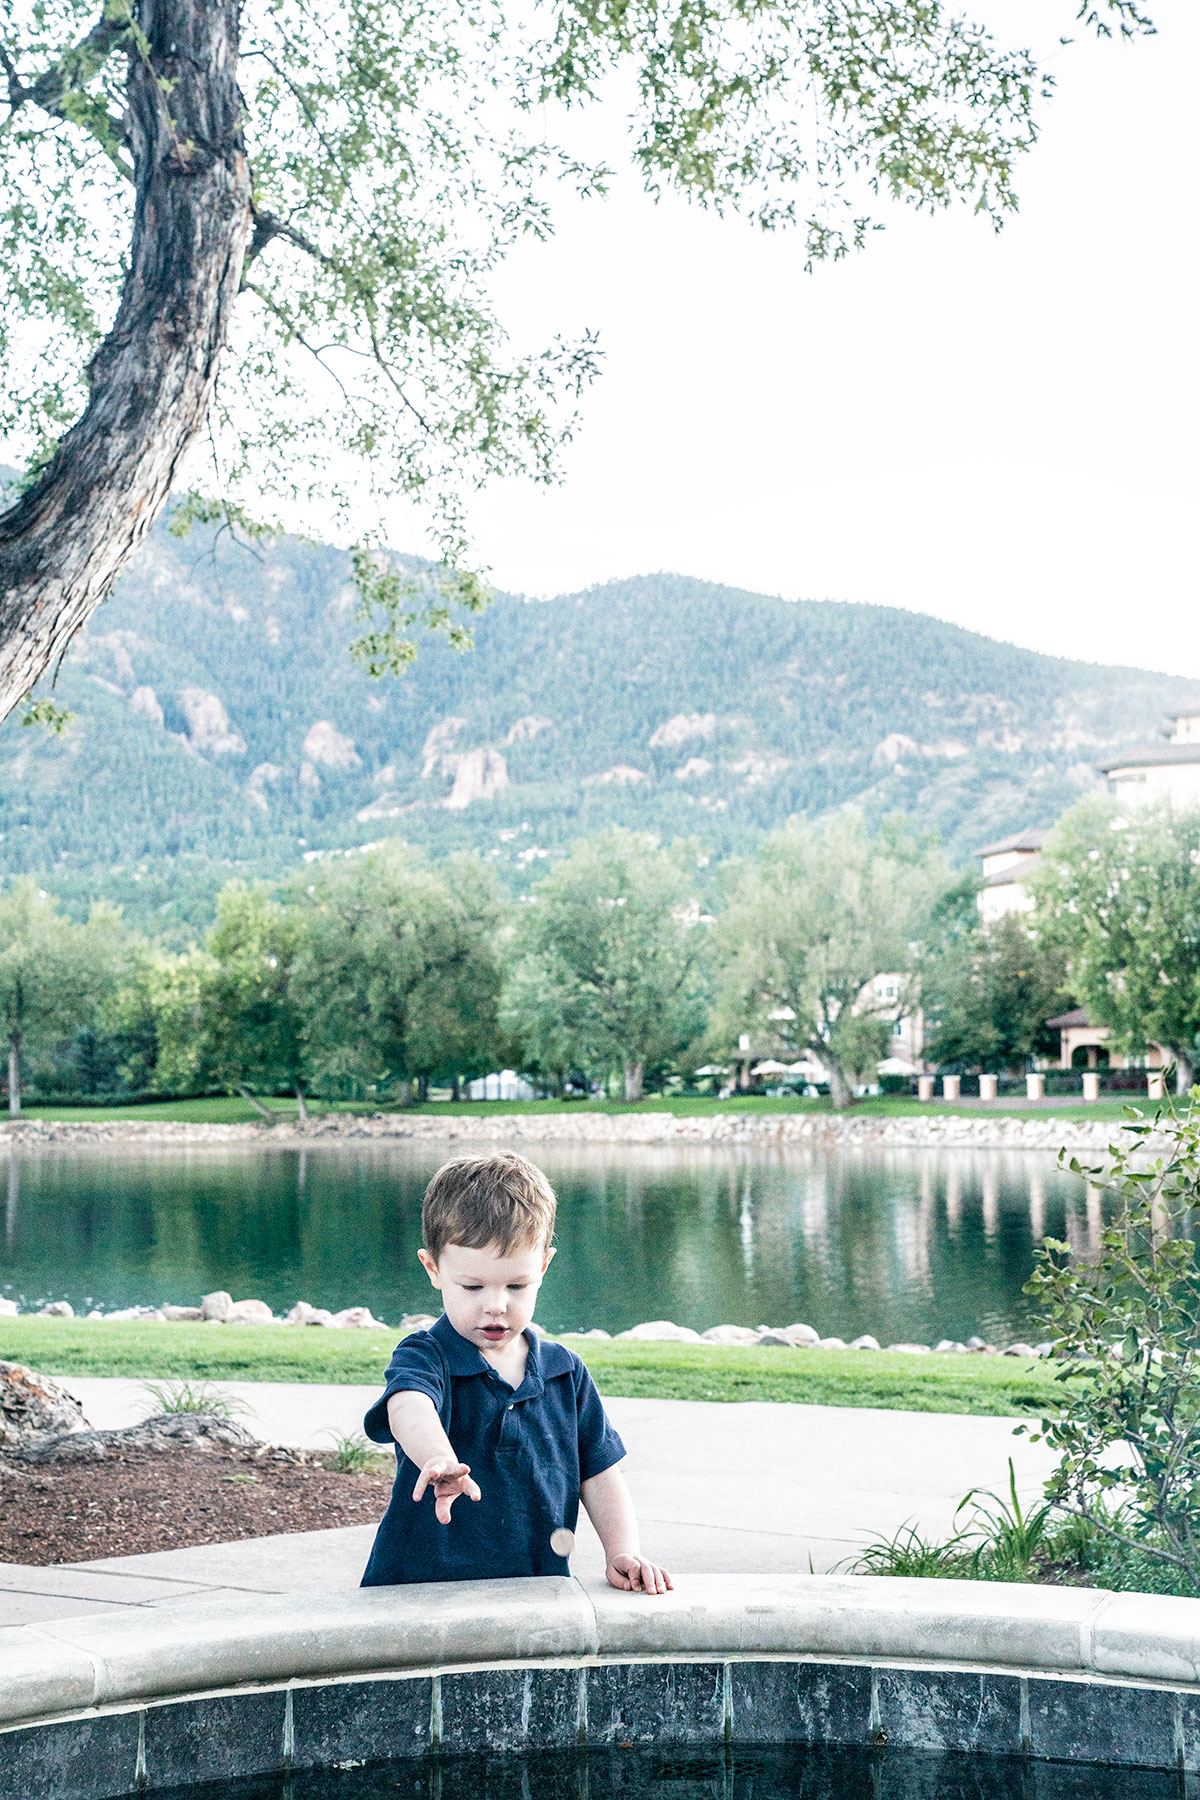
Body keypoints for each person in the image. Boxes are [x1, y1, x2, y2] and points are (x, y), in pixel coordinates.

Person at [361, 1150, 672, 1595]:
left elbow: (599, 1473)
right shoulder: (426, 1355)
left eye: (516, 1285)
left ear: (543, 1266)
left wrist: (622, 1550)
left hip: (535, 1588)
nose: (495, 1304)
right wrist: (437, 1458)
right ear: (433, 1268)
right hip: (420, 1590)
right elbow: (408, 1405)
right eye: (472, 1286)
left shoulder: (564, 1372)